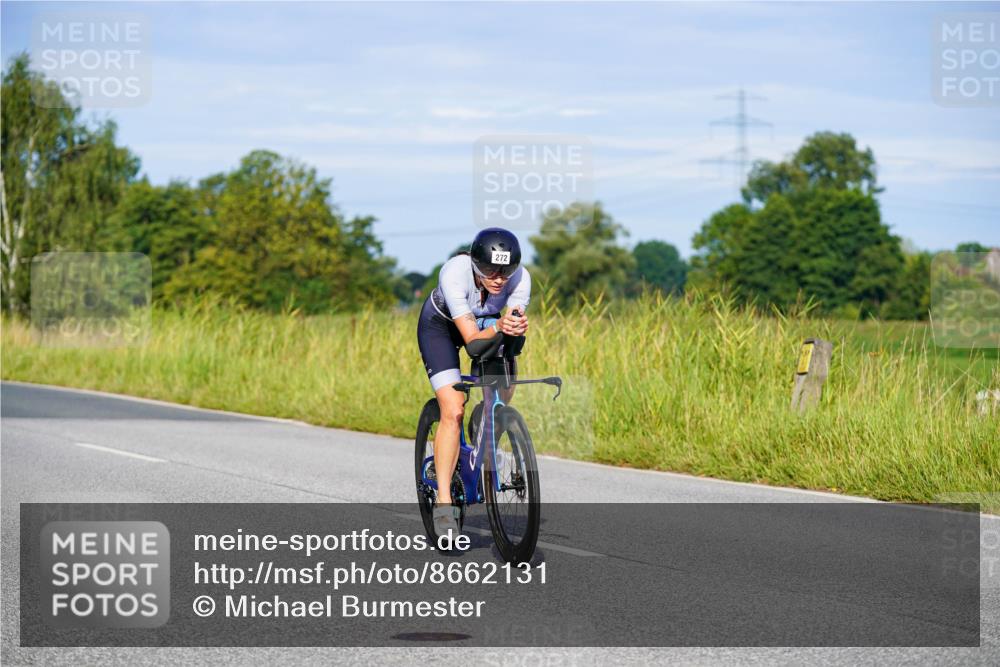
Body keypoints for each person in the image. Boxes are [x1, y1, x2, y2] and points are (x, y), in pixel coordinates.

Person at [416, 227, 530, 536]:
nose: (499, 278)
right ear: (475, 263)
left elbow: (512, 341)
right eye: (491, 270)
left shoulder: (521, 278)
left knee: (503, 393)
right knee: (453, 408)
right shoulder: (455, 273)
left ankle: (485, 423)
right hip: (442, 328)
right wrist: (500, 329)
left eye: (506, 271)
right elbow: (472, 344)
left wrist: (514, 330)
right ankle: (443, 502)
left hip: (485, 327)